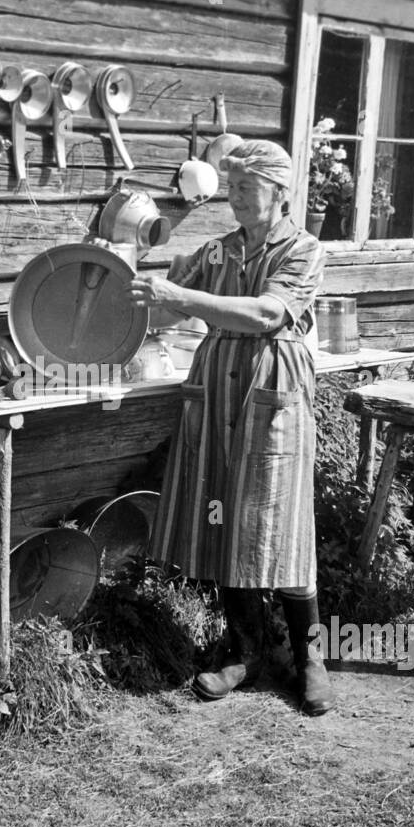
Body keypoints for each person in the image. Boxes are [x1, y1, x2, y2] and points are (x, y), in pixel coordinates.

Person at [128, 139, 334, 716]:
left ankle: (309, 656)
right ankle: (244, 651)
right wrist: (147, 288)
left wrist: (183, 294)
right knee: (226, 512)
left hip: (273, 390)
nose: (235, 198)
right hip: (216, 387)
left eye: (247, 187)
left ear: (280, 191)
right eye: (233, 187)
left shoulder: (304, 248)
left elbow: (268, 313)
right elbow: (170, 311)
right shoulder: (216, 252)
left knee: (282, 517)